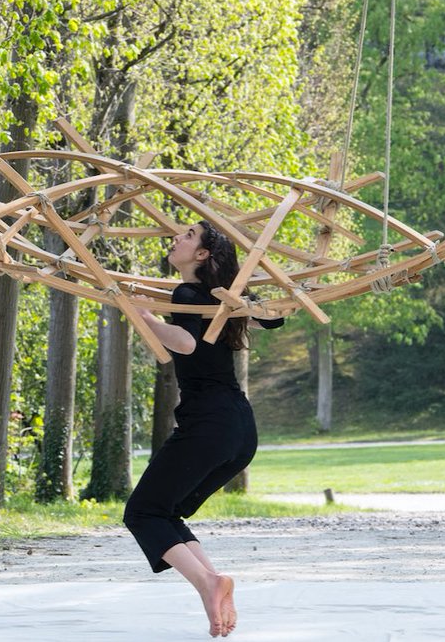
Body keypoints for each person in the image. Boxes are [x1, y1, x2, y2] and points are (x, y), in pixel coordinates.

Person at [124, 220, 284, 638]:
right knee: (166, 512)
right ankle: (213, 586)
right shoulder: (222, 301)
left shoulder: (189, 295)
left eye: (188, 235)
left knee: (143, 512)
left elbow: (186, 344)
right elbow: (273, 319)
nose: (176, 237)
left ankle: (209, 583)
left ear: (202, 255)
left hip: (210, 425)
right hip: (239, 430)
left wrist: (146, 319)